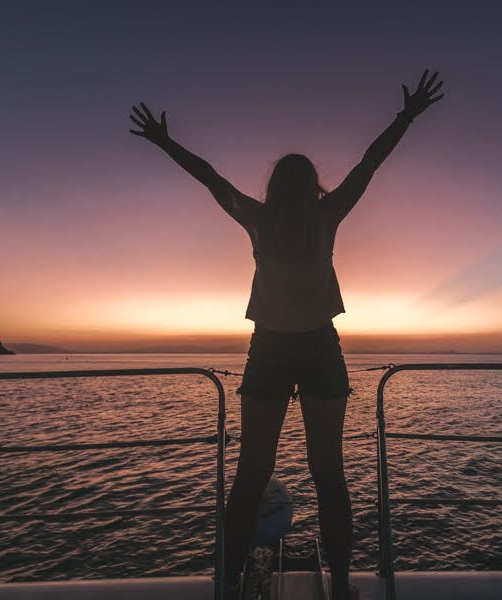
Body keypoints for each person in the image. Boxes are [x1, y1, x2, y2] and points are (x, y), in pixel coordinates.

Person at [129, 69, 444, 600]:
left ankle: (229, 586)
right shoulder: (327, 213)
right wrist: (406, 116)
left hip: (272, 349)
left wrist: (165, 143)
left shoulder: (259, 217)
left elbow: (210, 177)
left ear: (276, 187)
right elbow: (370, 163)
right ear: (310, 186)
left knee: (253, 477)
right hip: (318, 348)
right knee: (328, 475)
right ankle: (341, 588)